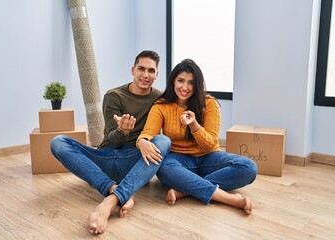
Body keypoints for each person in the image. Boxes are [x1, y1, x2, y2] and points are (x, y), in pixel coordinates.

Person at [50, 50, 171, 234]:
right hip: (105, 157)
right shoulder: (114, 96)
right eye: (141, 69)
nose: (145, 75)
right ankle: (114, 188)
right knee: (58, 142)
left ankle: (111, 200)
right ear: (132, 70)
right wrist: (122, 130)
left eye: (151, 71)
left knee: (163, 141)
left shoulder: (159, 99)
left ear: (156, 75)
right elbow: (113, 142)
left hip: (132, 160)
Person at [137, 59, 257, 215]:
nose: (185, 87)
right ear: (173, 80)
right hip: (179, 159)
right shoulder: (161, 105)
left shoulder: (209, 103)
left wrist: (194, 124)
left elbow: (210, 144)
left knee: (249, 167)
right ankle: (226, 198)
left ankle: (186, 190)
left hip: (208, 157)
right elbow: (148, 132)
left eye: (191, 83)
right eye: (180, 80)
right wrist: (142, 142)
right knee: (164, 169)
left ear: (198, 84)